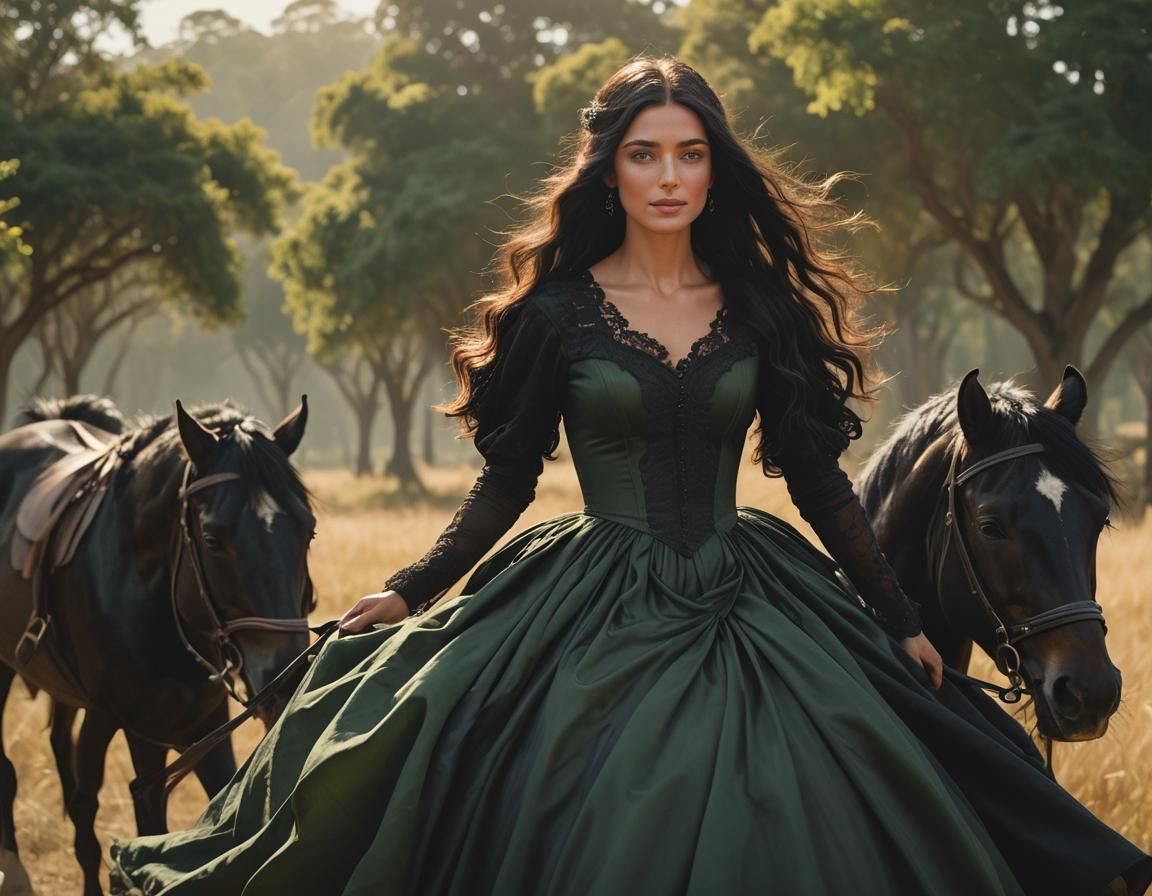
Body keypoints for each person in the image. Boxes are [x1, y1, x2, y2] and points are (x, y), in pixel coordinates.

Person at [110, 55, 1151, 896]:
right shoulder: (555, 313)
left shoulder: (758, 306)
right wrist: (413, 586)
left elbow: (816, 476)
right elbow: (506, 483)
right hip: (589, 595)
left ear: (712, 170)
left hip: (754, 589)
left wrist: (898, 615)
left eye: (689, 154)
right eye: (644, 153)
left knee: (859, 766)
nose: (667, 175)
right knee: (526, 776)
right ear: (609, 169)